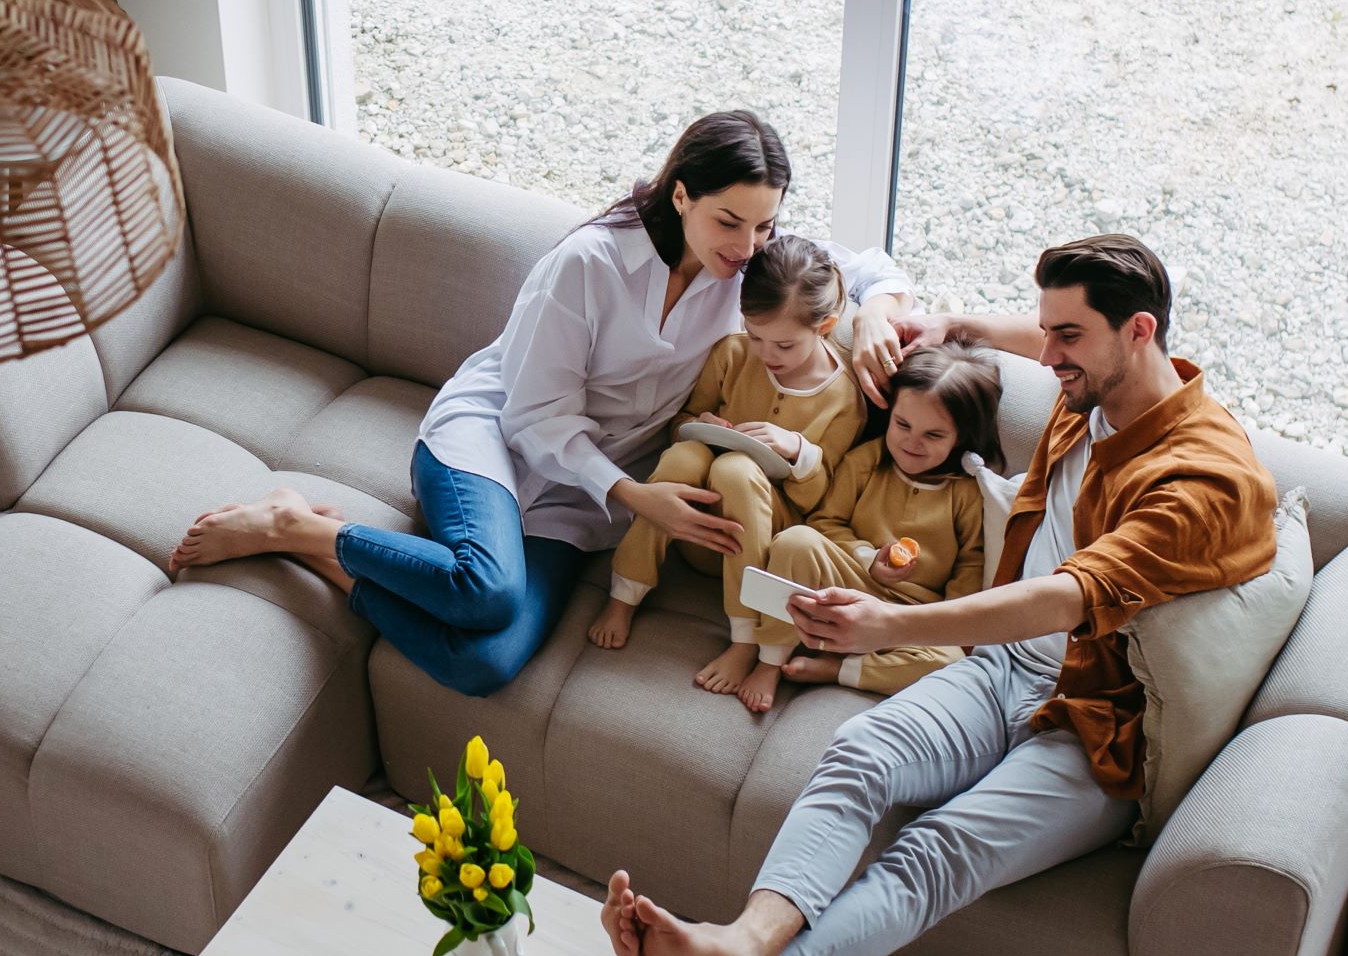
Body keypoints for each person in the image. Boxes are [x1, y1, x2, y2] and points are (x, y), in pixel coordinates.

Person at [597, 233, 1279, 956]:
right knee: (859, 753)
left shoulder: (1204, 480)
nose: (1050, 356)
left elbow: (1068, 596)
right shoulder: (1100, 385)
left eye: (1067, 337)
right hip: (1005, 671)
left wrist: (890, 622)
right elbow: (1045, 339)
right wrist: (961, 325)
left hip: (1097, 726)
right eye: (1045, 330)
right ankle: (741, 948)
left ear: (1140, 331)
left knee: (938, 849)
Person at [167, 112, 913, 696]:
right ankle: (294, 522)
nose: (749, 245)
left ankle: (312, 542)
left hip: (582, 500)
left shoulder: (745, 274)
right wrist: (638, 497)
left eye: (766, 225)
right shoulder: (588, 264)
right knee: (486, 587)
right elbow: (534, 416)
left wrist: (878, 309)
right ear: (682, 192)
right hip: (493, 440)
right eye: (730, 221)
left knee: (485, 661)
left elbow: (866, 268)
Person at [588, 235, 867, 698]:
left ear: (825, 327)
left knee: (737, 470)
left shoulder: (842, 400)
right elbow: (679, 425)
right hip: (694, 528)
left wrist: (797, 450)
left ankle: (745, 639)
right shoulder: (733, 354)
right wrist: (702, 424)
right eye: (754, 335)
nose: (765, 354)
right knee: (686, 454)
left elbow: (822, 506)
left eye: (782, 344)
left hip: (758, 549)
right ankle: (625, 594)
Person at [737, 341, 1002, 712]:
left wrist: (939, 622)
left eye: (934, 435)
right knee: (797, 541)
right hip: (848, 584)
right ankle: (769, 659)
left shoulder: (966, 493)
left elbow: (970, 568)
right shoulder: (866, 461)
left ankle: (842, 670)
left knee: (952, 661)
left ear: (962, 437)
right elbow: (825, 523)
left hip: (908, 618)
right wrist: (866, 558)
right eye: (903, 424)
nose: (912, 442)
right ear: (890, 413)